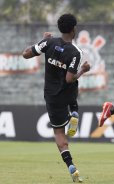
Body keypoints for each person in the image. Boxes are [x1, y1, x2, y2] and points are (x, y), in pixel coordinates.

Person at [22, 13, 90, 183]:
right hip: (68, 94)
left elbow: (26, 54)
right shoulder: (76, 52)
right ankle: (74, 113)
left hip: (52, 96)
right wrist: (83, 70)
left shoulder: (49, 42)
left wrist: (41, 41)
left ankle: (71, 166)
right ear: (74, 29)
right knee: (73, 86)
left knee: (59, 133)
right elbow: (69, 78)